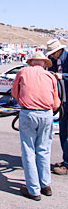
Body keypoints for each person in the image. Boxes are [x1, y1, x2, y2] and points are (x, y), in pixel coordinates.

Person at [11, 51, 60, 201]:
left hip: (29, 113)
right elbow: (56, 102)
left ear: (32, 62)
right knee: (44, 149)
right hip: (46, 114)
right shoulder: (50, 76)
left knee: (28, 150)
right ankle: (45, 184)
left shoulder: (23, 72)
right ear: (44, 63)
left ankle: (33, 189)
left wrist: (24, 102)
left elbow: (14, 92)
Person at [46, 38, 68, 175]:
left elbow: (60, 76)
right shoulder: (54, 60)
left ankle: (67, 163)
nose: (52, 56)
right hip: (62, 100)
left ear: (59, 50)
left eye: (53, 53)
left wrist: (63, 76)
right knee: (63, 132)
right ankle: (65, 158)